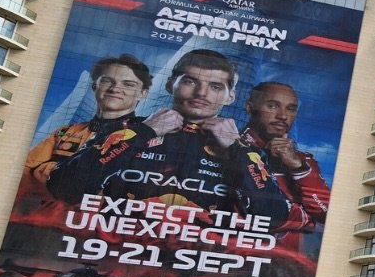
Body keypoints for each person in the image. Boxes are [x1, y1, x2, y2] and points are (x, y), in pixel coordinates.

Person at [47, 48, 293, 227]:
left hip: (192, 267)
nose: (201, 93)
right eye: (190, 81)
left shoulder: (245, 151)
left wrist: (237, 150)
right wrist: (144, 133)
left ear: (230, 97)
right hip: (110, 255)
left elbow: (274, 217)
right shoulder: (124, 130)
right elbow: (64, 187)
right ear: (170, 85)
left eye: (215, 87)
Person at [22, 54, 154, 199]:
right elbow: (24, 173)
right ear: (94, 85)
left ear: (143, 93)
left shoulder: (147, 135)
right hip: (46, 210)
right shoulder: (65, 131)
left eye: (128, 84)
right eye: (107, 81)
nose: (115, 89)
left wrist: (49, 171)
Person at [239, 81, 330, 230]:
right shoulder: (227, 148)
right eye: (272, 106)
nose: (283, 116)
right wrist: (304, 219)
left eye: (290, 109)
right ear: (250, 108)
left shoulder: (303, 161)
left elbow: (327, 214)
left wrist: (298, 168)